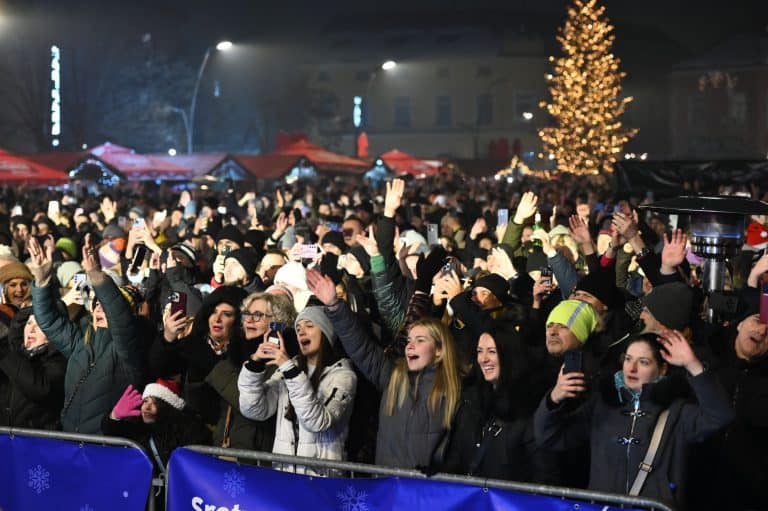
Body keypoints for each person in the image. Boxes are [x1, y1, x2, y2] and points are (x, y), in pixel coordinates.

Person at [534, 332, 734, 509]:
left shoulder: (677, 412)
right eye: (628, 359)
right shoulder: (602, 405)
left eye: (643, 362)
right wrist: (553, 399)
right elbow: (549, 437)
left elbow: (721, 416)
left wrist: (693, 365)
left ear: (663, 369)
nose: (632, 368)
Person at [306, 268, 462, 470]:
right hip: (386, 489)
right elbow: (362, 348)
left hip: (428, 494)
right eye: (409, 340)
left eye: (420, 340)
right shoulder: (394, 377)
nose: (410, 346)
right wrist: (335, 306)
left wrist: (460, 303)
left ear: (440, 350)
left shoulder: (454, 389)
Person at [27, 234, 143, 434]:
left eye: (105, 306)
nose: (99, 309)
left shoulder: (126, 352)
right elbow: (49, 321)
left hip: (103, 446)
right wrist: (42, 281)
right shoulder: (81, 343)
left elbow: (119, 318)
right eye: (97, 305)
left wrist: (95, 274)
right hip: (69, 440)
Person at [238, 306, 357, 475]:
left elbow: (318, 422)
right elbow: (255, 410)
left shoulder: (344, 376)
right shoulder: (289, 368)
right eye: (298, 328)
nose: (301, 332)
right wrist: (256, 363)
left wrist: (290, 370)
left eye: (309, 326)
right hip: (285, 476)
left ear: (326, 332)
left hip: (321, 481)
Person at [442, 323, 553, 481]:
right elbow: (456, 457)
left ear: (509, 355)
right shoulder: (471, 401)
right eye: (479, 351)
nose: (483, 359)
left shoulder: (529, 406)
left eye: (492, 352)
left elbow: (543, 473)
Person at [205, 291, 297, 452]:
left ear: (278, 322)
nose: (249, 320)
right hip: (225, 450)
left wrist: (216, 368)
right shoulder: (235, 353)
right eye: (247, 314)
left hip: (259, 457)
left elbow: (248, 405)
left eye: (258, 315)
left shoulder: (283, 361)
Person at [102, 380, 208, 475]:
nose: (147, 408)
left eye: (155, 403)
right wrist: (114, 416)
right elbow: (113, 433)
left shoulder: (188, 430)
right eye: (145, 401)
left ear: (167, 408)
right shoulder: (140, 429)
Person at [0, 307, 67, 429]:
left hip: (35, 442)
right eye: (29, 323)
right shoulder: (15, 355)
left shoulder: (59, 360)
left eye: (40, 325)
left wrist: (3, 351)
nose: (31, 329)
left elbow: (40, 390)